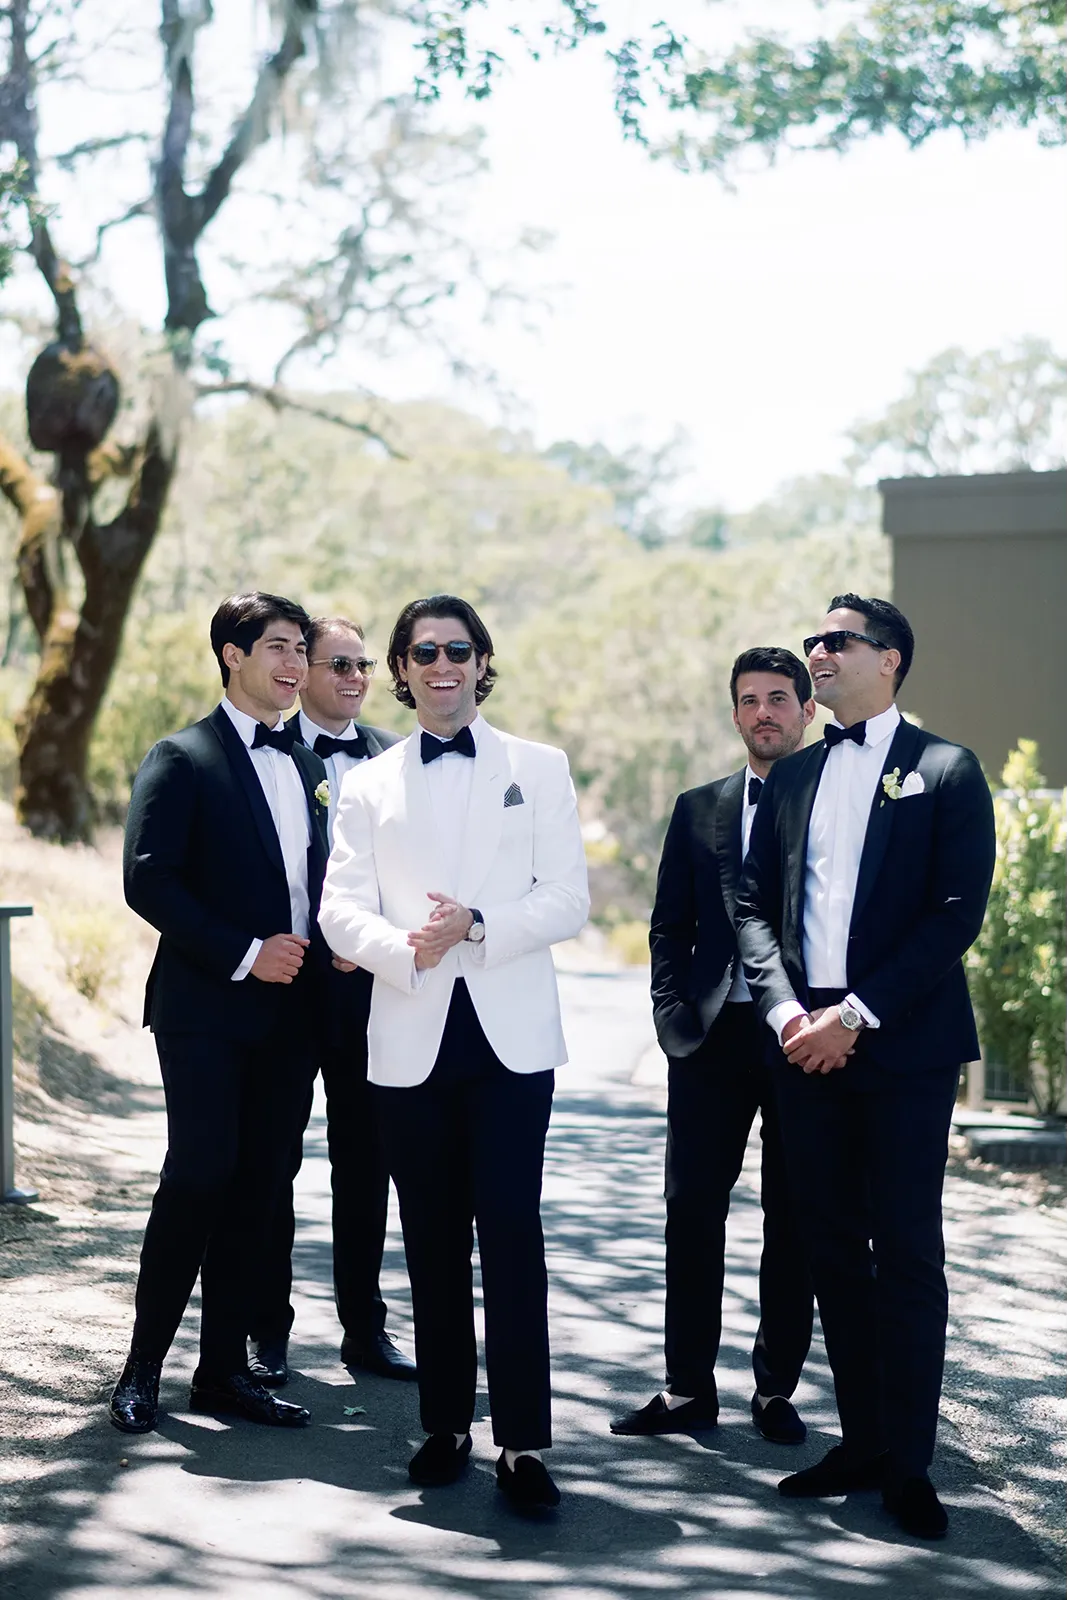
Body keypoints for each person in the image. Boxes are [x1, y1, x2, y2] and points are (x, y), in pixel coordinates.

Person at [318, 594, 589, 1511]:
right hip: (408, 1031)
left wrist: (479, 925)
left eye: (458, 650)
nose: (442, 664)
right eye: (423, 651)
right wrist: (406, 949)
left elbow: (566, 899)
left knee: (510, 1233)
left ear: (481, 662)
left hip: (512, 1038)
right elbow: (338, 906)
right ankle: (443, 1425)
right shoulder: (367, 781)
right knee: (430, 1237)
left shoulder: (538, 767)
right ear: (399, 670)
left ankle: (522, 1443)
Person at [735, 594, 995, 1540]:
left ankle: (910, 1466)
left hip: (903, 1043)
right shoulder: (796, 773)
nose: (818, 652)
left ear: (888, 660)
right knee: (829, 1248)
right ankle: (860, 1442)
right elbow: (753, 907)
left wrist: (857, 1012)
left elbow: (954, 913)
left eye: (835, 641)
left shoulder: (946, 769)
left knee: (906, 1253)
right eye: (815, 640)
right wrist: (786, 1012)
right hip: (806, 1044)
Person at [109, 592, 330, 1434]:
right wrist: (245, 951)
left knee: (261, 1188)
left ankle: (223, 1373)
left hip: (293, 1014)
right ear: (231, 654)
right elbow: (148, 880)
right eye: (278, 646)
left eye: (301, 649)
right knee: (199, 1175)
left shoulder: (309, 764)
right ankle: (141, 1370)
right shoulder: (181, 755)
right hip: (204, 1006)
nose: (294, 664)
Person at [612, 648, 816, 1445]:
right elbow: (669, 923)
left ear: (805, 710)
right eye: (748, 700)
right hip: (710, 1036)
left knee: (790, 1212)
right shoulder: (698, 806)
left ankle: (774, 1390)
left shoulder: (830, 803)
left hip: (799, 1034)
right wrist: (670, 1015)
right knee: (690, 1209)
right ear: (734, 715)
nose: (762, 712)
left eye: (777, 698)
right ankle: (687, 1387)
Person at [248, 614, 415, 1386]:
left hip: (367, 996)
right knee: (270, 1164)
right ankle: (264, 1331)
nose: (353, 678)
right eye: (336, 663)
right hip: (281, 996)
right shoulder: (266, 750)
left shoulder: (396, 756)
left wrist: (378, 942)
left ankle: (365, 1331)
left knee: (367, 1163)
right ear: (300, 670)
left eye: (362, 666)